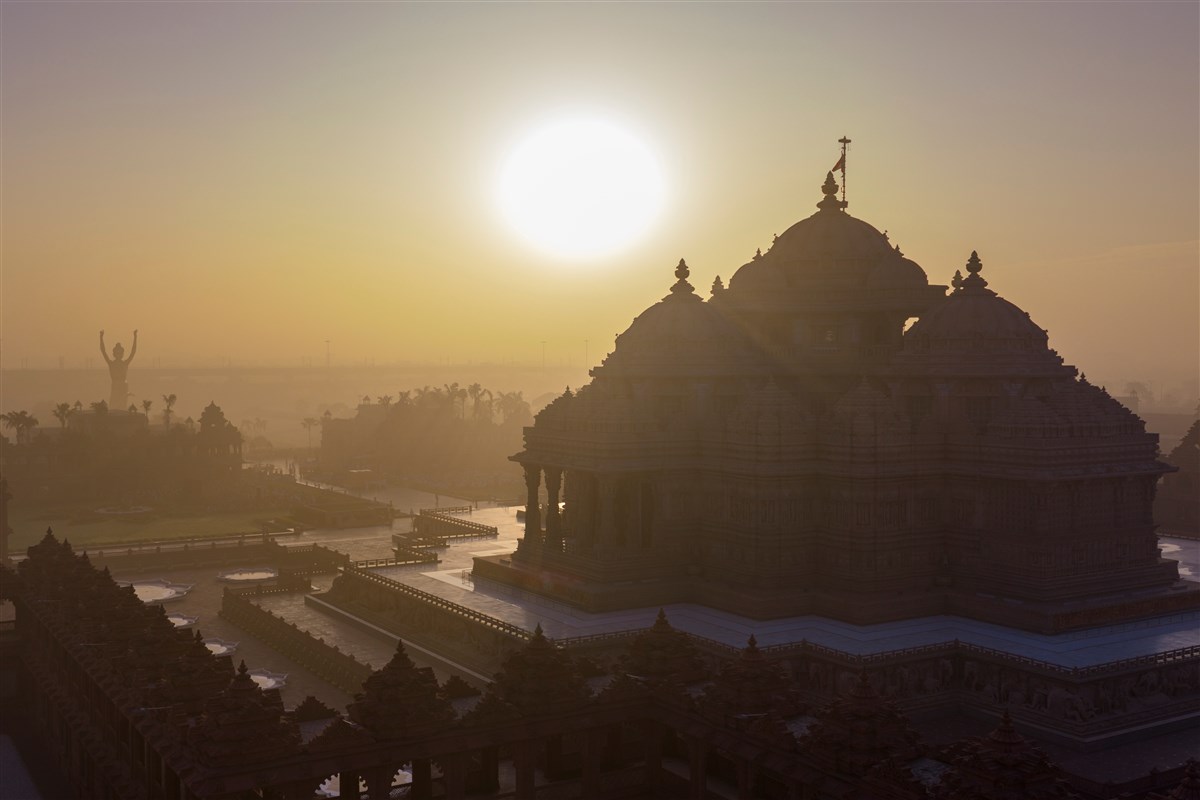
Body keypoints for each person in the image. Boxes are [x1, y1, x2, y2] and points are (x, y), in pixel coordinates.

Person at [100, 329, 138, 409]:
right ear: (114, 353)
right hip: (115, 385)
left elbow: (133, 352)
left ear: (122, 354)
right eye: (117, 352)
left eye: (120, 353)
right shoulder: (111, 364)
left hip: (123, 386)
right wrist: (101, 338)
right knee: (113, 404)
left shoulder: (125, 363)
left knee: (123, 405)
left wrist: (135, 337)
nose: (119, 354)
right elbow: (103, 351)